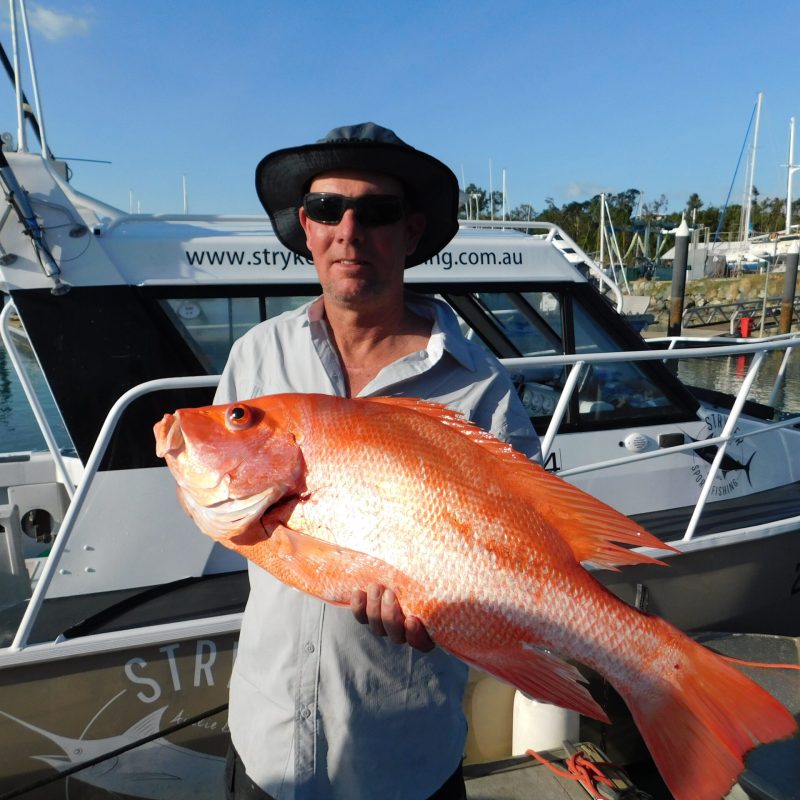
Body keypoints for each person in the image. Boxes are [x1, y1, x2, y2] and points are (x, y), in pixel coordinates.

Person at [216, 122, 541, 800]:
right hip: (267, 741)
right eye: (327, 209)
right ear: (304, 227)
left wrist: (449, 613)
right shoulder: (255, 358)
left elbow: (529, 550)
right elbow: (228, 501)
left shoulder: (478, 385)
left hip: (402, 758)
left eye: (378, 211)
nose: (349, 229)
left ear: (413, 232)